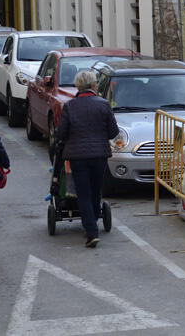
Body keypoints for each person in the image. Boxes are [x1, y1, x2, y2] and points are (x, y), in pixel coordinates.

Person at [55, 69, 118, 248]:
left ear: (78, 86)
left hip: (78, 156)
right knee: (96, 190)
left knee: (82, 193)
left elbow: (61, 133)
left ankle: (91, 232)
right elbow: (113, 132)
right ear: (93, 85)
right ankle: (93, 223)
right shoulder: (104, 104)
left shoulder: (69, 106)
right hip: (99, 155)